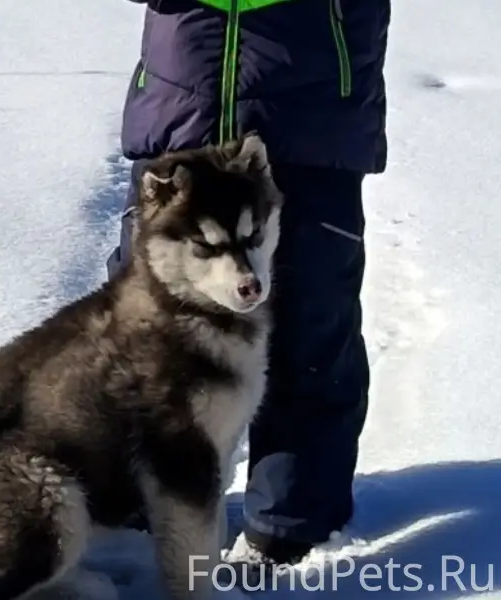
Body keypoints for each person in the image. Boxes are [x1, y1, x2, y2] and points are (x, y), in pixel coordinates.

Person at [106, 0, 391, 581]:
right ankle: (134, 502)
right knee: (143, 334)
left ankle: (286, 529)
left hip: (310, 123)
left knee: (308, 332)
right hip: (179, 107)